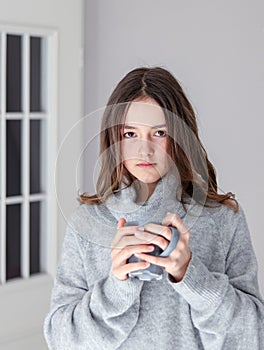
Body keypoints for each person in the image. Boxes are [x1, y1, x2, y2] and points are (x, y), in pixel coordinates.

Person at [44, 67, 264, 349]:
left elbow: (253, 336)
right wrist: (116, 288)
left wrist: (190, 275)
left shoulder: (222, 219)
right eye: (130, 134)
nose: (144, 151)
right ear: (114, 140)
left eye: (159, 133)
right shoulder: (87, 221)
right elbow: (60, 340)